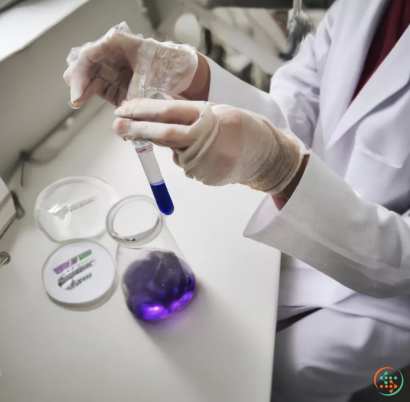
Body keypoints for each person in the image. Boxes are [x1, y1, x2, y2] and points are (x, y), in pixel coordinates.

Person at [64, 1, 410, 400]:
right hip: (298, 215)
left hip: (389, 296)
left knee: (270, 378)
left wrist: (280, 168)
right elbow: (295, 106)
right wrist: (191, 75)